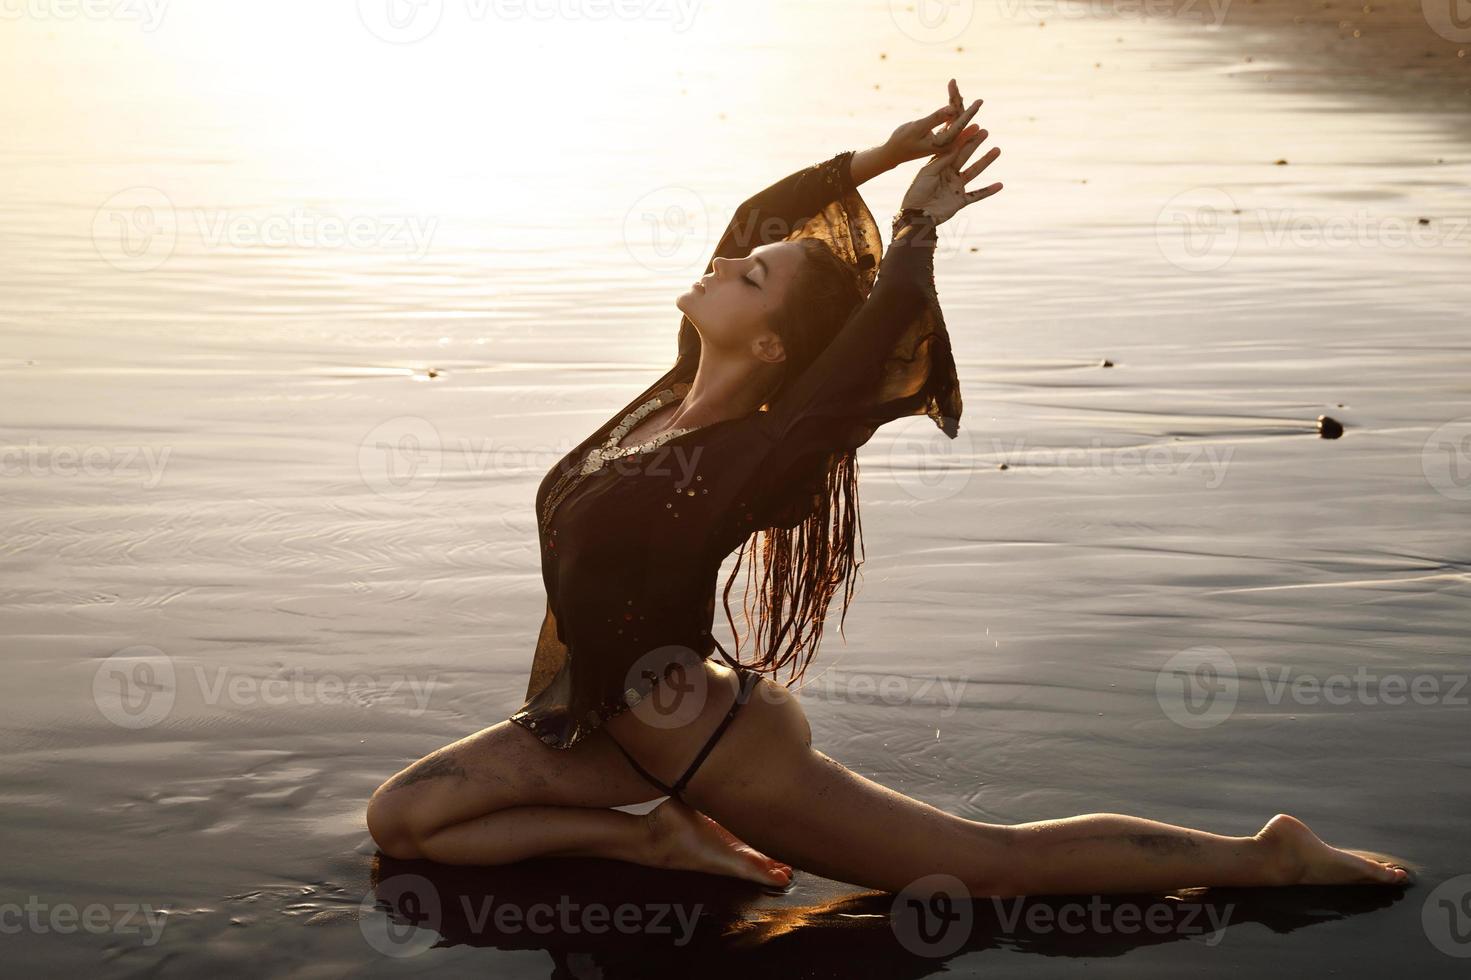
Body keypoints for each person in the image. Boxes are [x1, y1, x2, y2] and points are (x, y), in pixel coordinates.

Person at [366, 80, 1411, 896]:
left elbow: (856, 365)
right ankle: (654, 839)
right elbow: (756, 216)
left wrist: (914, 228)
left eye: (751, 275)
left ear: (770, 339)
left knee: (989, 866)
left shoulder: (752, 455)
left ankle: (1266, 854)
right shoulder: (671, 395)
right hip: (594, 724)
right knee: (402, 820)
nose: (724, 262)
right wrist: (891, 151)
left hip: (702, 742)